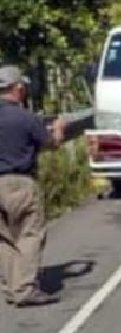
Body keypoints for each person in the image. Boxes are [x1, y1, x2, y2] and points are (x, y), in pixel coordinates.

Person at [0, 66, 65, 307]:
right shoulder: (26, 118)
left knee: (4, 238)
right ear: (18, 88)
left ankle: (10, 286)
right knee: (29, 234)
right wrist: (58, 129)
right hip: (19, 182)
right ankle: (25, 288)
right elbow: (50, 144)